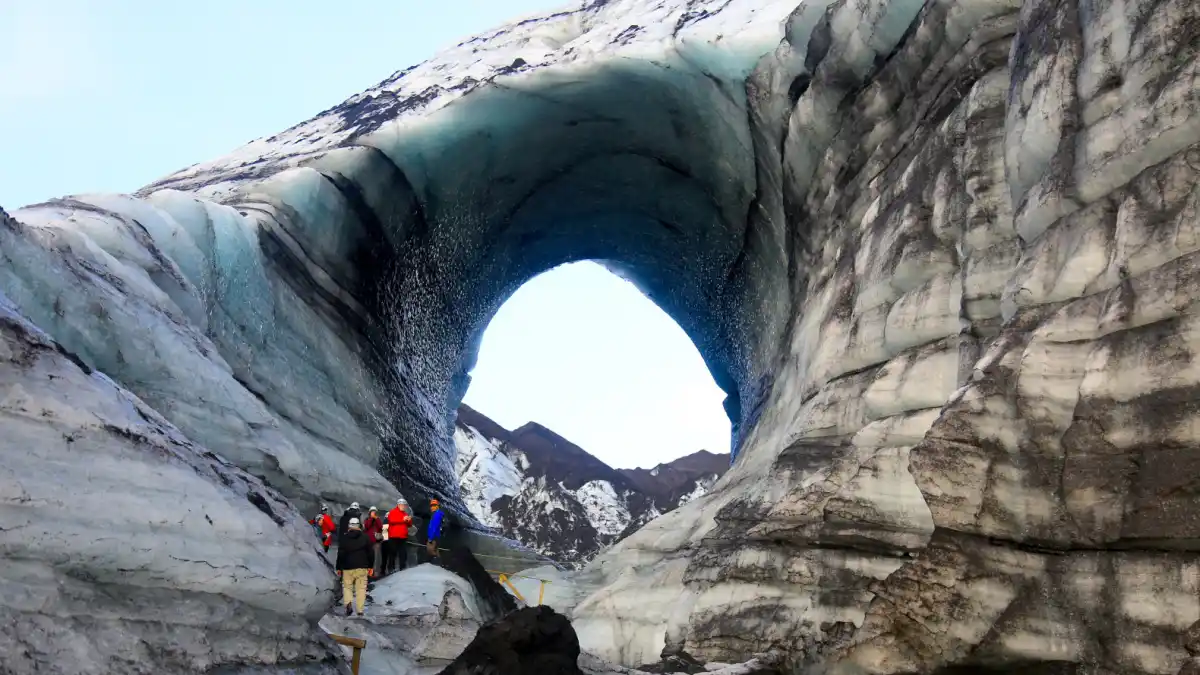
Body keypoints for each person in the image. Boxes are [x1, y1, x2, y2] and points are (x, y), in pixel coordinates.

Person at [335, 517, 373, 617]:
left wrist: (338, 567)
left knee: (347, 587)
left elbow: (341, 554)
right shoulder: (365, 537)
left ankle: (348, 604)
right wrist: (371, 566)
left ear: (349, 526)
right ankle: (360, 610)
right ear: (358, 525)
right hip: (362, 567)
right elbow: (370, 553)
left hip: (348, 567)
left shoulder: (344, 538)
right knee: (361, 589)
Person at [384, 498, 412, 575]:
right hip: (394, 536)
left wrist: (409, 520)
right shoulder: (392, 512)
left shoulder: (405, 514)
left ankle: (402, 567)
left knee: (403, 553)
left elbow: (409, 525)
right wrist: (403, 520)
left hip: (403, 537)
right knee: (393, 553)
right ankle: (391, 568)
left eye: (404, 505)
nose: (404, 506)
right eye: (403, 505)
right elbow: (392, 520)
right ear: (399, 504)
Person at [363, 506, 384, 577]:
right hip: (368, 542)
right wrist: (371, 519)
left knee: (376, 557)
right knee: (368, 557)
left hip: (376, 542)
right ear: (369, 513)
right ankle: (368, 573)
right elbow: (366, 527)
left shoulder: (378, 519)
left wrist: (376, 519)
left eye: (374, 512)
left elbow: (381, 527)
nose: (373, 513)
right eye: (372, 512)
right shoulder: (367, 519)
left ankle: (375, 573)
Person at [426, 498, 444, 562]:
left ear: (437, 506)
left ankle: (435, 565)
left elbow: (434, 527)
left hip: (433, 537)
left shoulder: (437, 515)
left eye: (433, 506)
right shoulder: (437, 514)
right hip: (436, 536)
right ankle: (439, 564)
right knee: (435, 550)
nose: (431, 507)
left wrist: (431, 538)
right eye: (431, 506)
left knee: (430, 551)